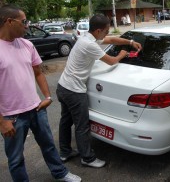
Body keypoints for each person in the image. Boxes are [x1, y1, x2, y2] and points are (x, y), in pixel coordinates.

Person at [0, 4, 81, 182]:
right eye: (24, 21)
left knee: (49, 145)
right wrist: (2, 121)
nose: (27, 25)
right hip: (11, 116)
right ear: (9, 21)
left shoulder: (27, 45)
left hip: (36, 108)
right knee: (15, 158)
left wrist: (48, 97)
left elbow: (38, 72)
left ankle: (60, 173)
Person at [56, 14, 142, 168]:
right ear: (97, 30)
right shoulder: (90, 45)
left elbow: (111, 40)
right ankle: (87, 158)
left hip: (63, 86)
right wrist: (122, 53)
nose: (107, 33)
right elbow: (111, 61)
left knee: (66, 121)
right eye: (106, 30)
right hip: (74, 91)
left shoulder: (86, 38)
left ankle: (64, 152)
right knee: (82, 126)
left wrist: (130, 41)